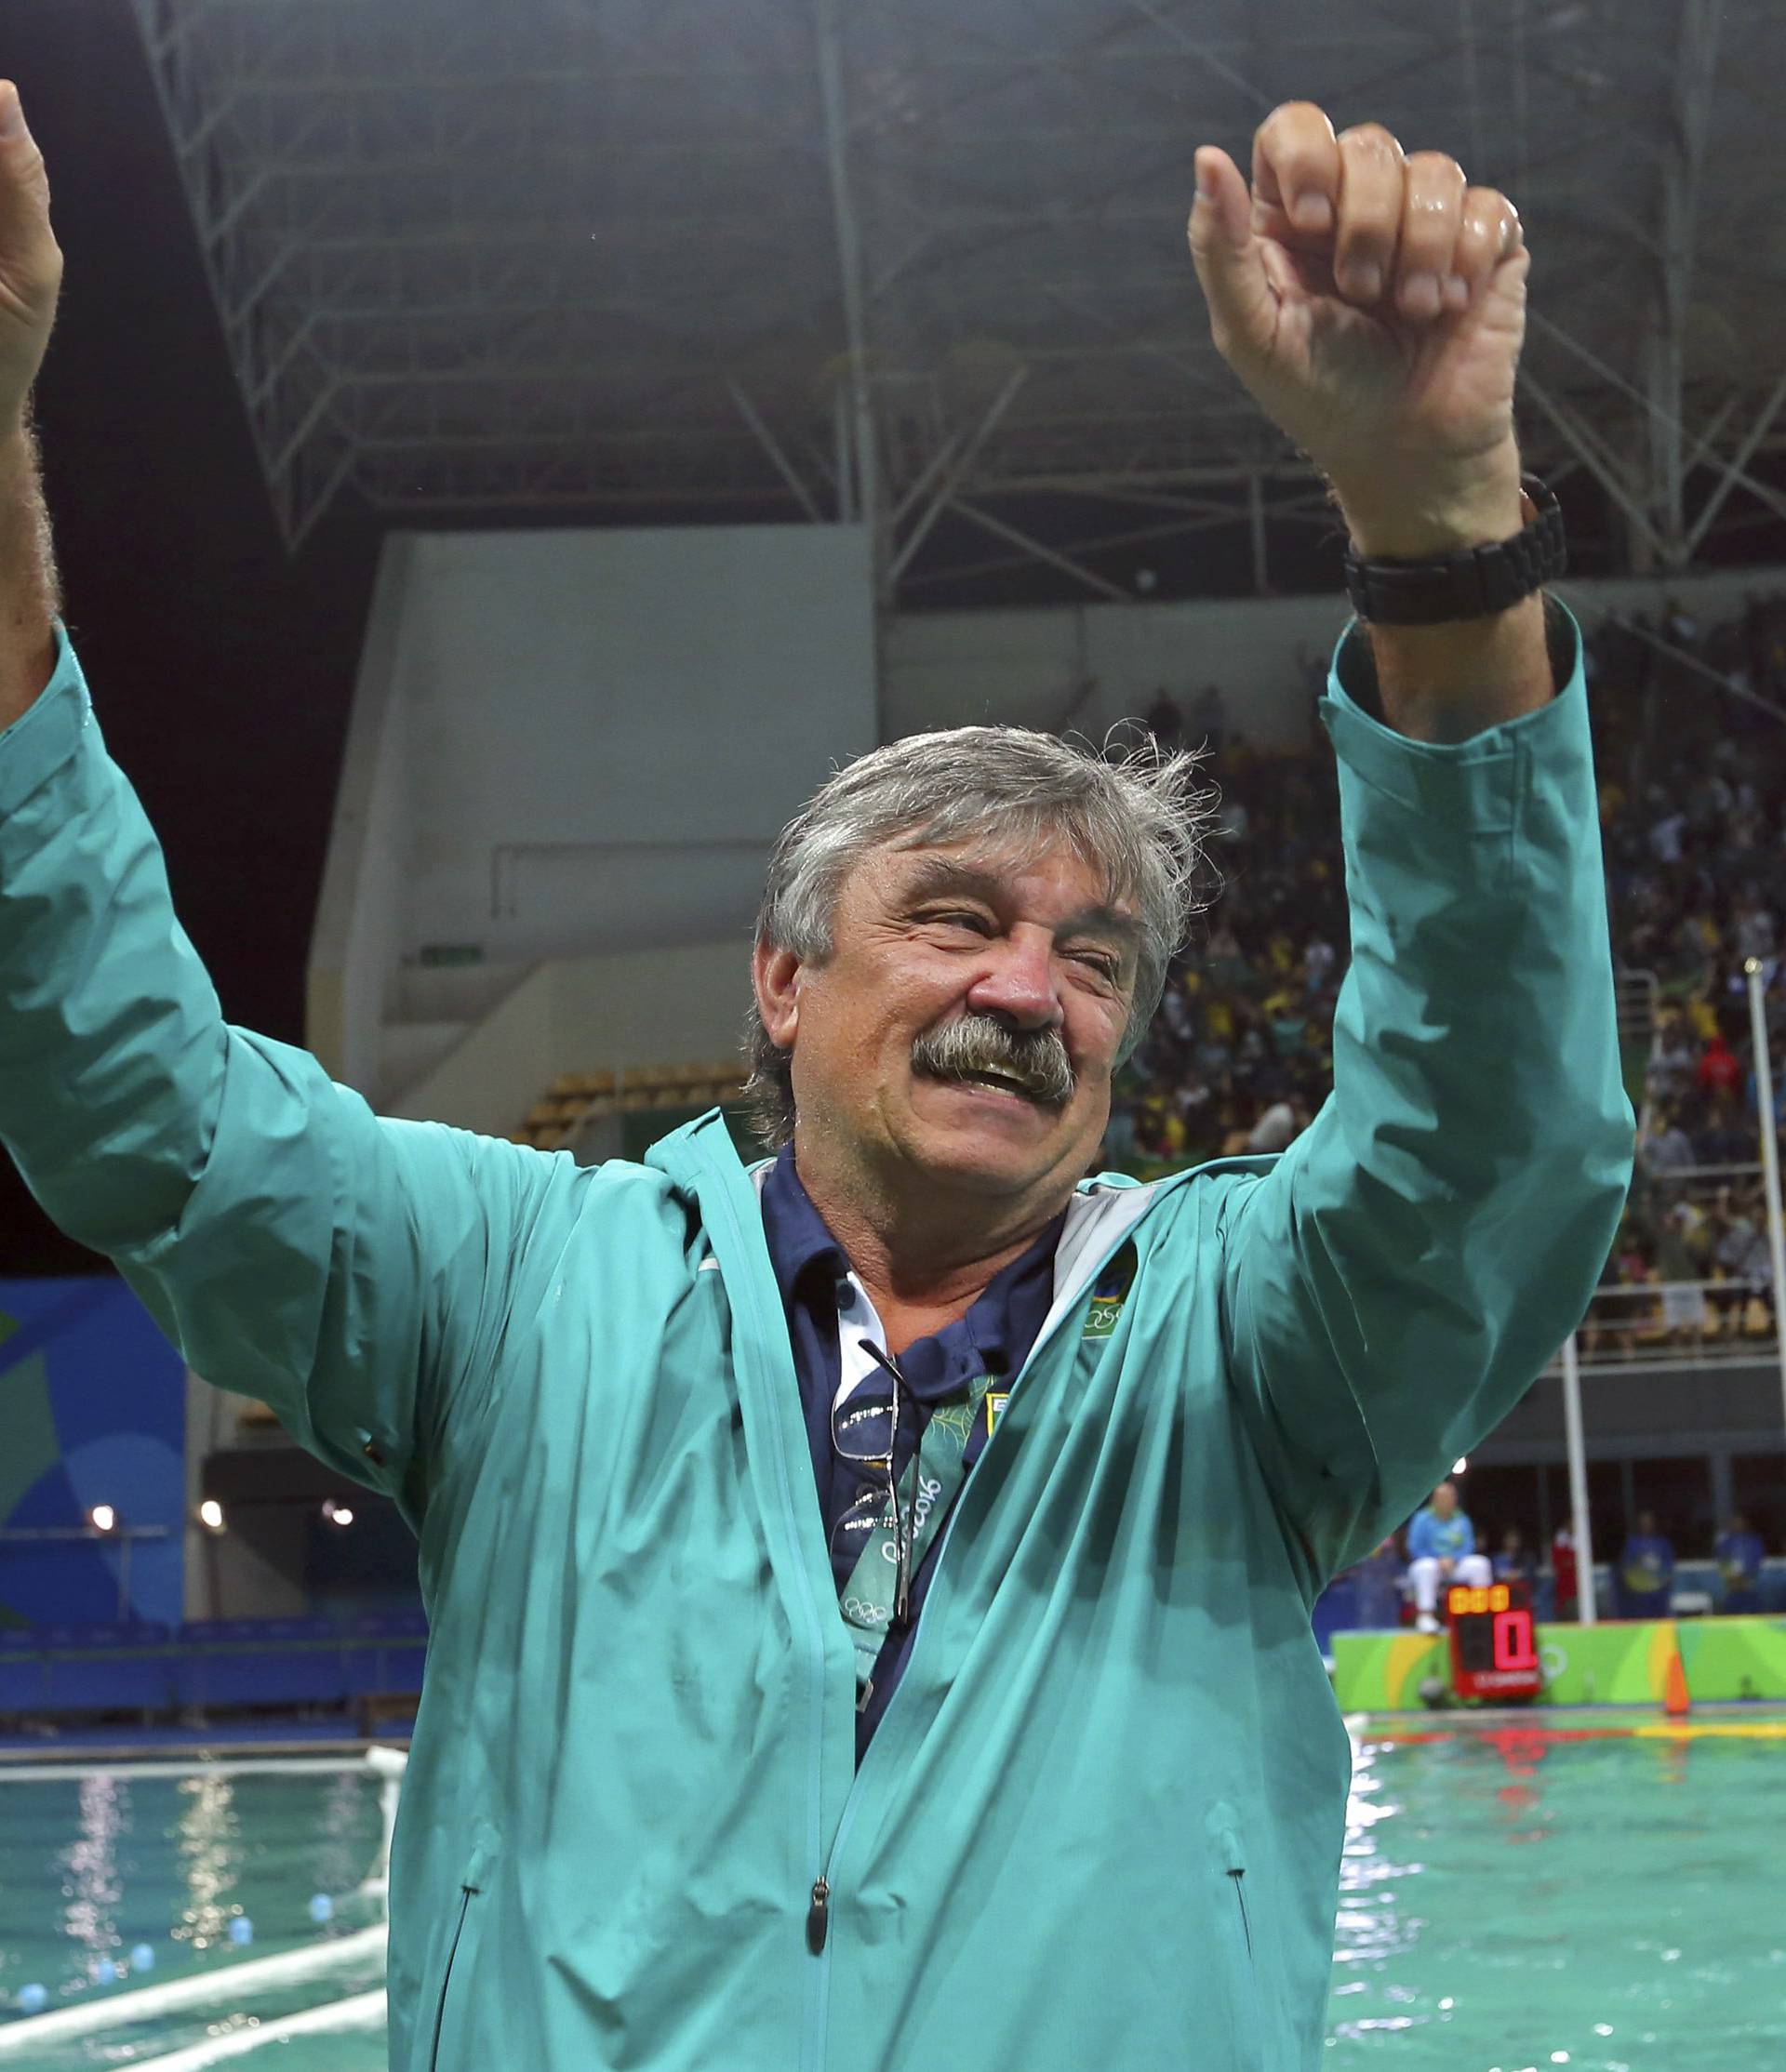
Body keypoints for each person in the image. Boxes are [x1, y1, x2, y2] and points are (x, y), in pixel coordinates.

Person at [0, 89, 1633, 2072]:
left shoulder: (1248, 1351)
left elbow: (1496, 1130)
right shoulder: (520, 1293)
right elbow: (135, 1100)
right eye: (956, 918)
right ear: (782, 979)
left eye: (1096, 958)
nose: (1031, 989)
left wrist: (1440, 516)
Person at [1406, 1481, 1495, 1633]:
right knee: (1426, 1567)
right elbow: (1415, 1547)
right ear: (1435, 1500)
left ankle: (1481, 1614)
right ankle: (1426, 1615)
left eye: (1452, 1496)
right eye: (1444, 1497)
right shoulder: (1422, 1519)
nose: (1449, 1500)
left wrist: (1454, 1558)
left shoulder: (1462, 1519)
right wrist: (1439, 1558)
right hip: (1431, 1565)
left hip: (1455, 1564)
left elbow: (1468, 1546)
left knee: (1480, 1564)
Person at [1618, 1510, 1678, 1618]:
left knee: (1660, 1620)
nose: (1646, 1525)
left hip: (1659, 1591)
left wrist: (1660, 1575)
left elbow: (1669, 1567)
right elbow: (1626, 1567)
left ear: (1653, 1523)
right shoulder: (1632, 1543)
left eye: (1648, 1522)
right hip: (1638, 1592)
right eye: (1643, 1522)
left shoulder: (1662, 1543)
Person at [1714, 1510, 1766, 1614]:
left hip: (1750, 1580)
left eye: (1740, 1522)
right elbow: (1722, 1560)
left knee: (1752, 1605)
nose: (1737, 1525)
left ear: (1745, 1523)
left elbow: (1757, 1559)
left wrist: (1747, 1576)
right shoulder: (1725, 1541)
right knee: (1731, 1607)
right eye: (1735, 1522)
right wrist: (1731, 1577)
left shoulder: (1753, 1541)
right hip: (1731, 1582)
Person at [1551, 1521, 1580, 1621]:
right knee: (1563, 1613)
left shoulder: (1581, 1540)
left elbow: (1578, 1561)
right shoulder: (1559, 1542)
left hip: (1577, 1585)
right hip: (1563, 1585)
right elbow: (1558, 1562)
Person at [1492, 1524, 1538, 1588]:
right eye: (1510, 1539)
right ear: (1504, 1540)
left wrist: (1517, 1575)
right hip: (1501, 1591)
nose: (1513, 1542)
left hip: (1521, 1590)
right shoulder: (1496, 1558)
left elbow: (1529, 1573)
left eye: (1515, 1540)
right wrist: (1506, 1575)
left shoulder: (1526, 1557)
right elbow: (1494, 1574)